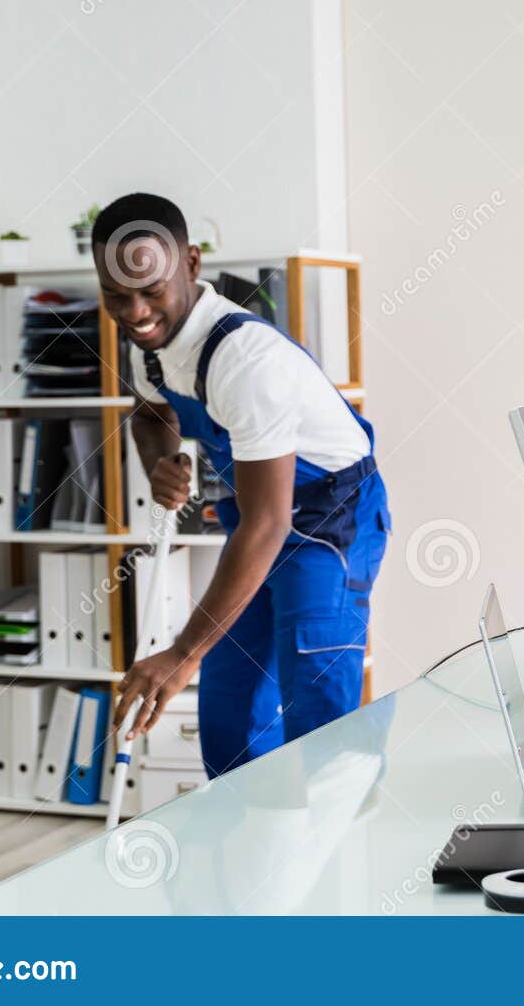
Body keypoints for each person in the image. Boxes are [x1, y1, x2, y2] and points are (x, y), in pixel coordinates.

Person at [92, 193, 390, 778]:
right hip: (255, 519)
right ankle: (257, 857)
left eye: (151, 291)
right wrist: (162, 461)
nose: (134, 311)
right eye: (116, 296)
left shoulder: (246, 361)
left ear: (192, 264)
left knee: (319, 715)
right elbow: (151, 415)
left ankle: (345, 857)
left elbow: (270, 522)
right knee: (228, 710)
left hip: (328, 525)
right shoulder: (148, 345)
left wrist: (180, 654)